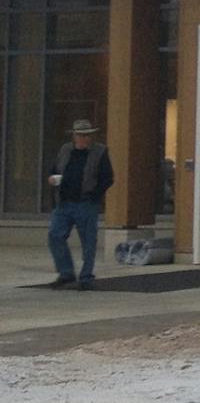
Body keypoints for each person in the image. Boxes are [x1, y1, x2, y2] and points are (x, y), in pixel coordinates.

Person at [46, 118, 114, 290]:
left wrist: (95, 195)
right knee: (55, 235)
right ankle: (66, 273)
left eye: (87, 135)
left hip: (86, 202)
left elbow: (107, 178)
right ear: (74, 136)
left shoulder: (100, 152)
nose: (84, 139)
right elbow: (55, 169)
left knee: (88, 242)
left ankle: (86, 277)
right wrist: (52, 179)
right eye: (81, 135)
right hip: (64, 203)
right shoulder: (65, 150)